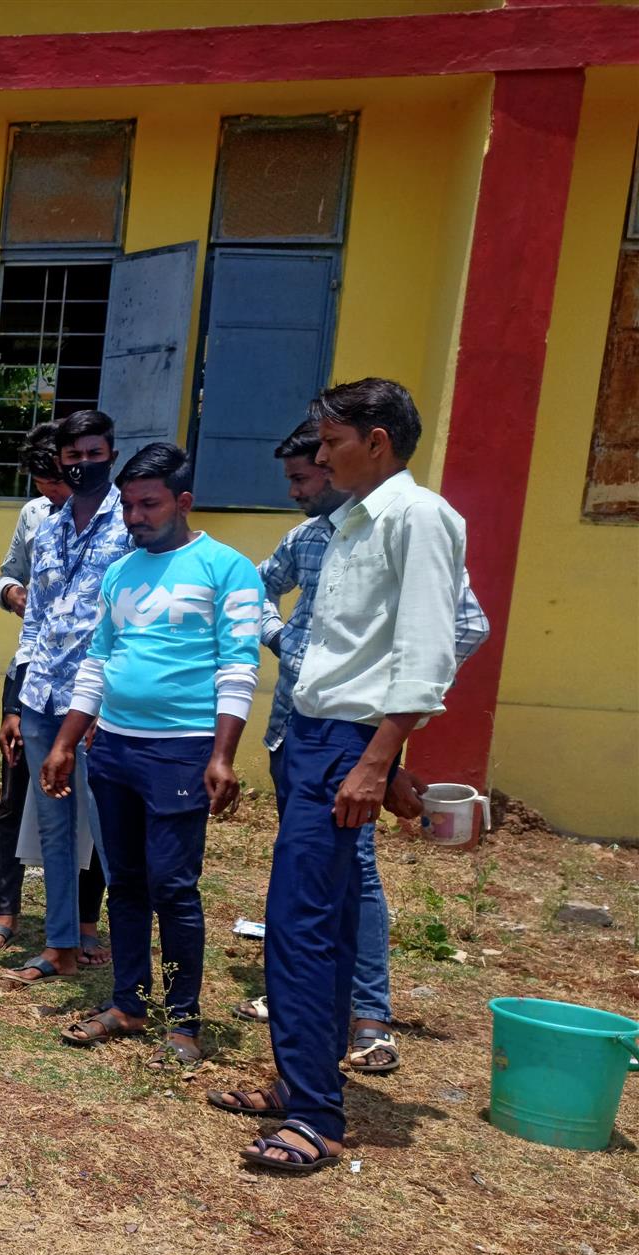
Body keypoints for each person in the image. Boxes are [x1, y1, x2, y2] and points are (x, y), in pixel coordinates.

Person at [209, 379, 467, 1175]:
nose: (319, 455)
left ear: (377, 440)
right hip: (317, 736)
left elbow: (429, 646)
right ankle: (300, 1079)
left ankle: (317, 1116)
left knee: (302, 924)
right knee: (319, 918)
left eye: (331, 440)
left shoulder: (419, 518)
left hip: (346, 744)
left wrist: (378, 757)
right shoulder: (348, 522)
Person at [234, 418, 490, 1073]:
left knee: (354, 877)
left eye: (308, 472)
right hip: (295, 727)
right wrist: (281, 637)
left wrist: (393, 723)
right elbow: (253, 590)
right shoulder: (309, 538)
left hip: (355, 737)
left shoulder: (404, 524)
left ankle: (368, 1015)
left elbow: (463, 626)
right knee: (306, 892)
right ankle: (309, 1022)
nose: (298, 485)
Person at [36, 443, 263, 1062]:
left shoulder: (227, 569)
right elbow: (98, 662)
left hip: (182, 754)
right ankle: (129, 1005)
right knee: (126, 881)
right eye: (129, 505)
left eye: (149, 504)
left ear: (183, 502)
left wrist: (222, 756)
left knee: (174, 886)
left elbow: (239, 668)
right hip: (113, 748)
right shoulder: (120, 572)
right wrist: (65, 742)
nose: (134, 517)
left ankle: (184, 1019)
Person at [4, 407, 132, 986]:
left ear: (111, 453)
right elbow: (38, 613)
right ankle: (60, 945)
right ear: (60, 460)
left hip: (98, 707)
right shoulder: (48, 526)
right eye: (73, 457)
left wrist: (110, 702)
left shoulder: (130, 526)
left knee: (108, 830)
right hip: (41, 699)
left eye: (93, 454)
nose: (83, 465)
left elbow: (131, 622)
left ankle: (129, 959)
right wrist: (22, 682)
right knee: (54, 827)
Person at [0, 424, 108, 960]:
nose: (55, 490)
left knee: (95, 813)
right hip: (36, 685)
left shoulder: (121, 524)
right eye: (46, 480)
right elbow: (14, 588)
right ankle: (28, 924)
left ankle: (87, 922)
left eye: (61, 478)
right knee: (22, 801)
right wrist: (15, 598)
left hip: (93, 692)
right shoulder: (39, 522)